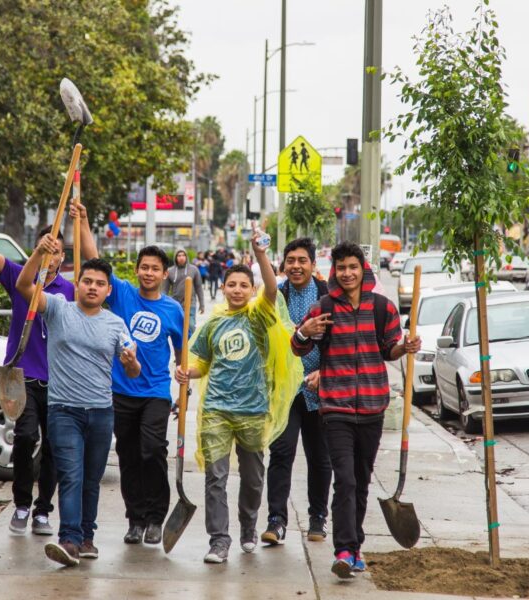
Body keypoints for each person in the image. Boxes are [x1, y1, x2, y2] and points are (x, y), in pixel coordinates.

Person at [291, 242, 420, 579]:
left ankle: (356, 545)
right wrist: (305, 331)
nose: (347, 273)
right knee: (345, 480)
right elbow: (297, 345)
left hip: (373, 406)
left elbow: (389, 350)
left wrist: (404, 347)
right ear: (333, 271)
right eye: (341, 267)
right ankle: (344, 551)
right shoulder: (323, 307)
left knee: (361, 482)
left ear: (363, 269)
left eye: (353, 266)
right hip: (335, 407)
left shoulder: (382, 308)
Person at [175, 232, 302, 565]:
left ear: (251, 290)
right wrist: (188, 373)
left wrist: (260, 254)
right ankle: (219, 540)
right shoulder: (213, 324)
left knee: (253, 477)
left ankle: (248, 527)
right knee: (215, 477)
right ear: (223, 288)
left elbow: (272, 290)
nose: (236, 290)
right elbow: (202, 363)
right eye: (231, 285)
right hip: (216, 409)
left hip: (253, 411)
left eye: (243, 286)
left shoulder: (259, 317)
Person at [17, 241, 141, 568]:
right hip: (63, 411)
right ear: (78, 284)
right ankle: (68, 540)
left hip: (101, 413)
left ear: (107, 290)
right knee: (70, 475)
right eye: (87, 281)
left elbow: (133, 367)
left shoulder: (115, 323)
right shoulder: (58, 308)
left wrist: (130, 362)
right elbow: (24, 285)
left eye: (100, 283)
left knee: (91, 479)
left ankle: (87, 537)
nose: (93, 287)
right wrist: (38, 255)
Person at [71, 200, 184, 546]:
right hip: (120, 391)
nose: (149, 273)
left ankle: (155, 516)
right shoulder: (120, 294)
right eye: (144, 267)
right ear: (137, 271)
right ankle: (135, 519)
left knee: (153, 450)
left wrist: (184, 385)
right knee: (129, 456)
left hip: (156, 391)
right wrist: (86, 219)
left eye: (155, 268)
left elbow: (183, 354)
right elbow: (92, 255)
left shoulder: (174, 309)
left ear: (165, 274)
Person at [0, 193, 72, 538]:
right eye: (46, 248)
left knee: (55, 447)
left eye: (57, 251)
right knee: (26, 438)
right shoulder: (18, 277)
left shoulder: (69, 290)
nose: (51, 256)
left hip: (58, 380)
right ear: (38, 250)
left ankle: (44, 511)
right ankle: (22, 504)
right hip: (20, 375)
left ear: (62, 258)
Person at [262, 238, 333, 546]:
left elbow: (341, 344)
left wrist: (326, 373)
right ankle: (276, 520)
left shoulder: (328, 298)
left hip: (321, 391)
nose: (296, 266)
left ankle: (318, 517)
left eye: (302, 260)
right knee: (281, 453)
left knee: (320, 458)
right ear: (283, 264)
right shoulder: (276, 295)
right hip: (286, 391)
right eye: (290, 260)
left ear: (313, 264)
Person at [163, 248, 205, 330]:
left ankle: (191, 343)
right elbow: (164, 290)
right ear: (175, 257)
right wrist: (162, 304)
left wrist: (202, 304)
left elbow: (199, 287)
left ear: (186, 257)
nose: (181, 257)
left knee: (191, 326)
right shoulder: (170, 271)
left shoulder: (194, 270)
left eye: (183, 255)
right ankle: (180, 343)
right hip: (175, 303)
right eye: (179, 255)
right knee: (177, 328)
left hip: (190, 303)